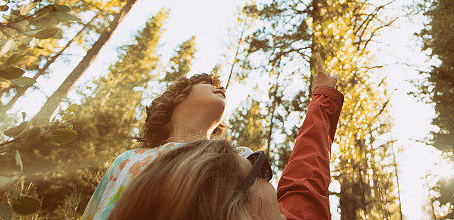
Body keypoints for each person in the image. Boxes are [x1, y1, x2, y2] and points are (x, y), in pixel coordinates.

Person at [83, 55, 342, 219]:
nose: (221, 87)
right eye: (208, 83)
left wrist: (321, 99)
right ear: (178, 96)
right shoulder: (127, 161)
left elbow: (294, 207)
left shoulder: (242, 159)